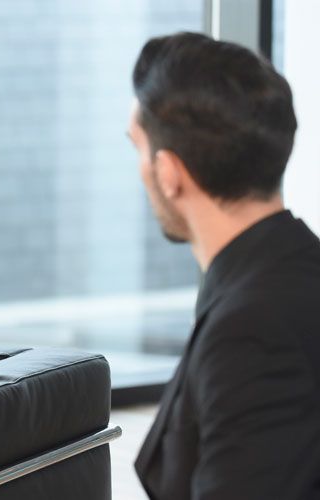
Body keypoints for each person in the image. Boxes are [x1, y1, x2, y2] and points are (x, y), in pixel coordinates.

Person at [127, 32, 320, 499]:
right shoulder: (292, 269)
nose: (139, 169)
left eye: (137, 147)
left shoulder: (251, 330)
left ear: (170, 173)